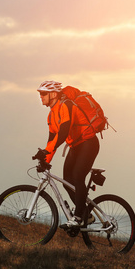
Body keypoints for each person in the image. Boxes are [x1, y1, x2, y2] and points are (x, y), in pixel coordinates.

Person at [35, 80, 100, 227]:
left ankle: (77, 217)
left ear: (53, 94)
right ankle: (86, 215)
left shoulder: (66, 106)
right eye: (40, 94)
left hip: (88, 143)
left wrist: (46, 151)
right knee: (67, 182)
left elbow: (63, 133)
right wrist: (45, 158)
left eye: (43, 93)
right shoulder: (51, 116)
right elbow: (52, 141)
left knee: (77, 176)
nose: (41, 97)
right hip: (75, 146)